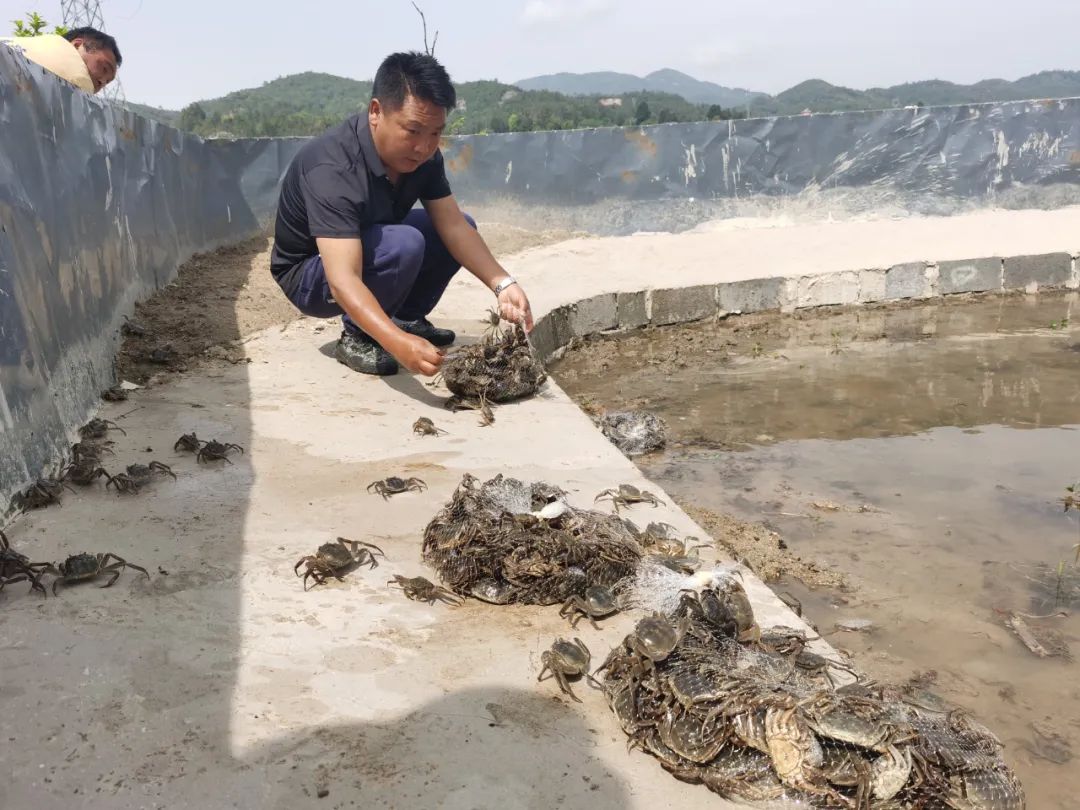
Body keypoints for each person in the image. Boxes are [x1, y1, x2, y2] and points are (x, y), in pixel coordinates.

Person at [269, 51, 533, 377]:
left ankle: (406, 317)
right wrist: (396, 343)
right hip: (312, 272)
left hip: (368, 240)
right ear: (376, 112)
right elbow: (342, 279)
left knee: (459, 226)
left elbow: (453, 226)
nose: (424, 147)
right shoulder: (333, 166)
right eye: (412, 130)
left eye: (435, 133)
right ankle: (357, 336)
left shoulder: (424, 158)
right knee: (404, 243)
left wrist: (503, 283)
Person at [0, 27, 121, 94]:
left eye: (107, 82)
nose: (102, 82)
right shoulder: (78, 82)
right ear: (77, 45)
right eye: (104, 69)